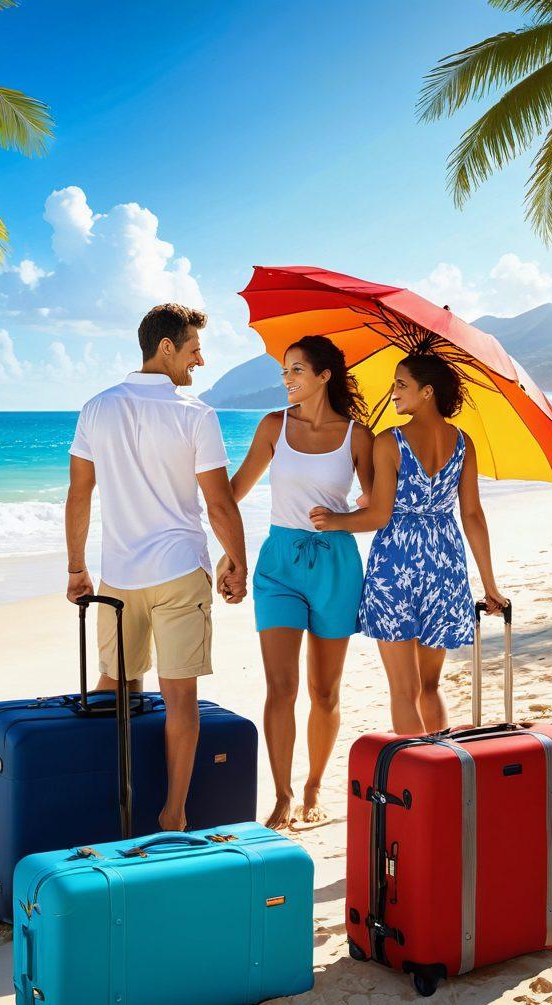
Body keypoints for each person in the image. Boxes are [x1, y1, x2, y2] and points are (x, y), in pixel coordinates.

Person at [65, 303, 248, 832]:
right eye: (194, 349)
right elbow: (218, 503)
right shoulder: (195, 415)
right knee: (179, 698)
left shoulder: (96, 408)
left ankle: (102, 799)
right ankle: (172, 815)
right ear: (165, 347)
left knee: (114, 688)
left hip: (118, 577)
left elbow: (80, 494)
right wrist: (236, 560)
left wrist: (77, 569)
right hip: (177, 572)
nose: (201, 361)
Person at [310, 347, 508, 735]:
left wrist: (335, 521)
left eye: (402, 384)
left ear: (428, 391)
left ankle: (422, 783)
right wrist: (489, 585)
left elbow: (379, 516)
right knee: (430, 687)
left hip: (397, 563)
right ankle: (445, 772)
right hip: (445, 563)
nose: (395, 392)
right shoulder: (464, 443)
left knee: (404, 690)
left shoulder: (389, 442)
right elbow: (472, 515)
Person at [220, 336, 373, 829]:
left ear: (324, 376)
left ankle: (313, 787)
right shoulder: (273, 427)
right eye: (285, 371)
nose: (287, 379)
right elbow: (233, 493)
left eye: (297, 370)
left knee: (324, 691)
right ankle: (283, 794)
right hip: (279, 565)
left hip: (337, 565)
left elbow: (377, 509)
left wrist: (341, 519)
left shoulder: (358, 436)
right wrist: (232, 556)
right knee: (280, 687)